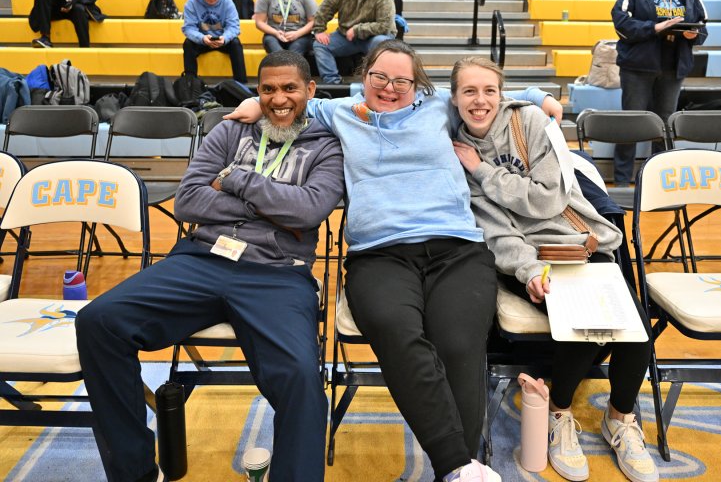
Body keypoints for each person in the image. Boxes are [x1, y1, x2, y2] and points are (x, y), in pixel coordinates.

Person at [227, 39, 563, 481]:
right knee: (394, 330)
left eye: (402, 81)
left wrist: (544, 99)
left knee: (459, 345)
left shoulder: (438, 105)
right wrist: (255, 102)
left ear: (417, 83)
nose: (389, 88)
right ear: (363, 76)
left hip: (456, 247)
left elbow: (491, 92)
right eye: (380, 78)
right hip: (378, 253)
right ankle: (460, 466)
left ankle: (457, 469)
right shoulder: (339, 111)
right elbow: (290, 100)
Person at [75, 51, 344, 482]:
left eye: (290, 88)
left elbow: (309, 211)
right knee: (98, 321)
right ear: (258, 91)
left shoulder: (327, 147)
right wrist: (274, 207)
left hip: (277, 273)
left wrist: (236, 179)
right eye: (269, 89)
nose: (279, 99)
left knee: (301, 378)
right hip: (202, 258)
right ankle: (136, 472)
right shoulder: (229, 131)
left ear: (310, 90)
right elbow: (188, 200)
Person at [450, 56, 658, 482]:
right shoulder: (453, 152)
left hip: (577, 243)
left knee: (636, 328)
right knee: (582, 324)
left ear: (502, 93)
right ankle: (559, 414)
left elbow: (548, 199)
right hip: (527, 255)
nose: (479, 100)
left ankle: (620, 418)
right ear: (454, 99)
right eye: (468, 91)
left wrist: (485, 171)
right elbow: (496, 231)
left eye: (489, 90)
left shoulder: (528, 122)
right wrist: (528, 271)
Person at [611, 0, 707, 187]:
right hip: (638, 67)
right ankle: (621, 180)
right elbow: (621, 24)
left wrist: (694, 35)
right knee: (632, 122)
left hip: (673, 68)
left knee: (664, 125)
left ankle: (657, 179)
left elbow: (702, 27)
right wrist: (654, 28)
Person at [310, 0, 396, 84]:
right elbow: (325, 8)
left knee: (381, 42)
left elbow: (384, 26)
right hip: (346, 36)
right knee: (320, 45)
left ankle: (378, 82)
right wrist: (319, 29)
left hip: (374, 37)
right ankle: (333, 83)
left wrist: (357, 30)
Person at [182, 0, 248, 84]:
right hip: (202, 40)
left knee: (235, 43)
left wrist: (225, 38)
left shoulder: (227, 1)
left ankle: (241, 84)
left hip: (222, 39)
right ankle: (190, 83)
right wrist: (202, 38)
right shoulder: (192, 2)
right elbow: (188, 28)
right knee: (188, 44)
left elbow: (234, 27)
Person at [28, 0, 106, 48]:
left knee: (79, 9)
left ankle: (84, 47)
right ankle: (45, 38)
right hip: (51, 7)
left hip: (74, 4)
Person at [254, 0, 318, 55]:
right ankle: (284, 61)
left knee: (294, 52)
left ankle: (285, 62)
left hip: (300, 35)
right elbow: (259, 22)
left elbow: (313, 21)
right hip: (274, 34)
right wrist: (275, 33)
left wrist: (297, 34)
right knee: (271, 43)